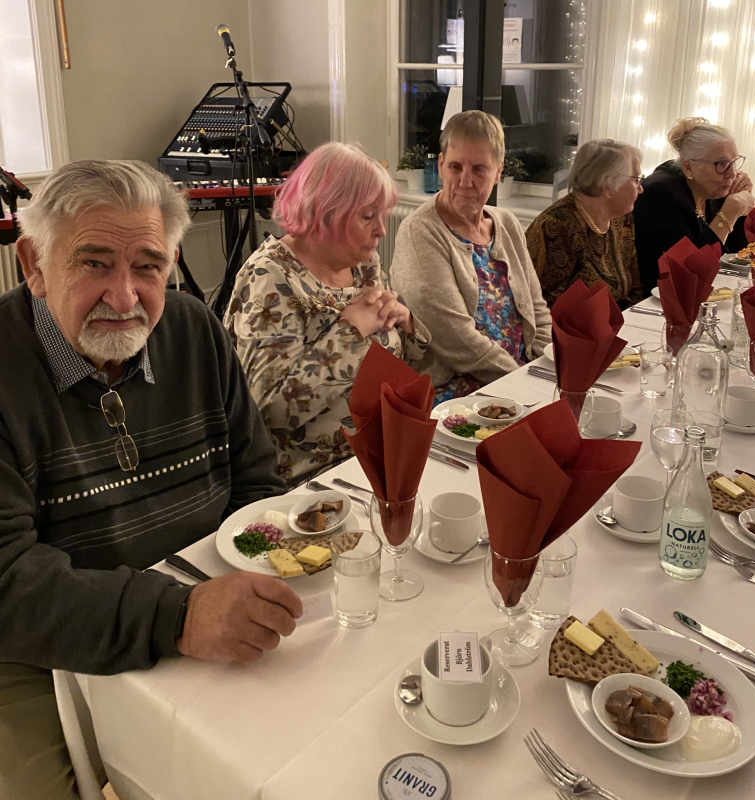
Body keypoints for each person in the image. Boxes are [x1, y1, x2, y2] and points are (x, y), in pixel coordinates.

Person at [1, 160, 303, 800]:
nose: (124, 296)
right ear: (33, 263)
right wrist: (179, 616)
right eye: (94, 263)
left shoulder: (193, 330)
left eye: (147, 266)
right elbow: (7, 584)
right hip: (35, 647)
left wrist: (253, 574)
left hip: (199, 592)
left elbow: (255, 484)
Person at [224, 142, 428, 486]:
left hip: (380, 451)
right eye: (368, 217)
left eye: (381, 215)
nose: (381, 229)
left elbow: (399, 360)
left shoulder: (363, 264)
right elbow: (270, 409)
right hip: (310, 478)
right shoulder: (270, 278)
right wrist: (350, 331)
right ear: (325, 214)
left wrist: (405, 321)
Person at [391, 110, 551, 403]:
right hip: (456, 395)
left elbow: (537, 310)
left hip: (520, 378)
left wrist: (545, 369)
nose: (465, 181)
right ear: (441, 166)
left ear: (498, 171)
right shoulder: (420, 232)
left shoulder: (508, 223)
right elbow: (454, 339)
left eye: (479, 169)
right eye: (455, 167)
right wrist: (523, 384)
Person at [633, 117, 755, 294]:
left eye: (733, 162)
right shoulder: (661, 194)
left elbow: (737, 253)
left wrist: (740, 207)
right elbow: (687, 271)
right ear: (689, 168)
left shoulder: (712, 187)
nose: (732, 173)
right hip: (659, 298)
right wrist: (729, 214)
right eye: (721, 164)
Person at [525, 139, 644, 310]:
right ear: (607, 185)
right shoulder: (556, 227)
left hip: (619, 323)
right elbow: (543, 308)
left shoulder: (621, 219)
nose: (640, 189)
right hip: (565, 327)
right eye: (637, 180)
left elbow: (634, 288)